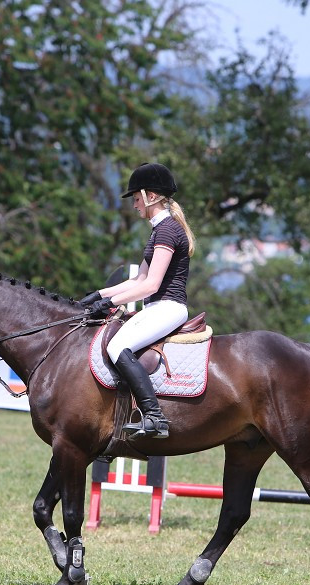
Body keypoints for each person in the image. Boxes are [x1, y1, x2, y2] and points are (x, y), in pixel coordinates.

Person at [80, 162, 196, 439]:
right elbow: (136, 281)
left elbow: (151, 285)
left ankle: (155, 417)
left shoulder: (168, 230)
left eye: (135, 199)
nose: (134, 205)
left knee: (118, 345)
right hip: (157, 306)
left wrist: (112, 304)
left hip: (168, 306)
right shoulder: (160, 230)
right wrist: (100, 294)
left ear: (150, 197)